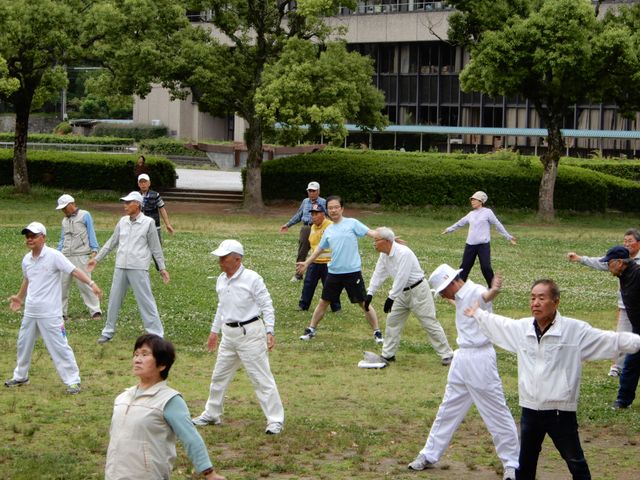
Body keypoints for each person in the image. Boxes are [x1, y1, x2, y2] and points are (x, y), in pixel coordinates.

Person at [464, 278, 640, 480]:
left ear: (555, 302)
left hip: (560, 411)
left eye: (541, 298)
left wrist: (637, 342)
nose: (535, 303)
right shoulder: (523, 329)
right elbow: (501, 325)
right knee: (525, 465)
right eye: (532, 298)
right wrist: (477, 314)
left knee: (576, 464)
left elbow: (611, 339)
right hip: (530, 409)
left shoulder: (574, 331)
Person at [408, 264, 519, 480]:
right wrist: (450, 299)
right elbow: (457, 302)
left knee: (496, 411)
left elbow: (486, 297)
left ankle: (512, 463)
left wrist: (495, 289)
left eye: (442, 290)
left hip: (480, 359)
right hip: (462, 358)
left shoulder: (475, 291)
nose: (441, 295)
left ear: (451, 283)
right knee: (448, 408)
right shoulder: (459, 295)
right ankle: (429, 454)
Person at [192, 240, 285, 434]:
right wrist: (213, 331)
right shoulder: (221, 279)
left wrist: (270, 331)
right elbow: (222, 306)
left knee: (261, 378)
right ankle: (212, 413)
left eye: (224, 258)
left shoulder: (253, 278)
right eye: (220, 258)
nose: (220, 261)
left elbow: (267, 305)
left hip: (250, 334)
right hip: (229, 335)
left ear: (237, 259)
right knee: (219, 376)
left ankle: (275, 420)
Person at [106, 334, 225, 480]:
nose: (137, 359)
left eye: (145, 354)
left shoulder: (169, 400)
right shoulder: (122, 398)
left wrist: (209, 473)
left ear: (162, 365)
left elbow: (191, 438)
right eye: (136, 354)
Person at [5, 222, 102, 394]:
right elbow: (28, 280)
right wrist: (19, 298)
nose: (30, 239)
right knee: (23, 344)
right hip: (31, 312)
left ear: (43, 237)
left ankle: (73, 381)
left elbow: (74, 271)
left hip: (50, 313)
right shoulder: (26, 260)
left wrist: (92, 283)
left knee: (59, 346)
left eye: (33, 236)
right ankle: (21, 375)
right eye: (27, 236)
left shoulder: (54, 255)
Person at [296, 195, 383, 344]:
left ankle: (377, 332)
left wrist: (390, 238)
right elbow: (318, 250)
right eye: (330, 208)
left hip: (352, 272)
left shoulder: (352, 223)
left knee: (363, 303)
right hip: (334, 273)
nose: (334, 210)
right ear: (327, 211)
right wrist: (307, 263)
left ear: (342, 209)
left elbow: (372, 233)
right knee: (324, 302)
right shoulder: (328, 230)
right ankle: (311, 329)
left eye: (336, 207)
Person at [87, 191, 170, 344]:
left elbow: (155, 247)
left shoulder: (148, 223)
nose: (124, 205)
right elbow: (112, 242)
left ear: (137, 204)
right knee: (113, 301)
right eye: (124, 202)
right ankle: (108, 332)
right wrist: (96, 259)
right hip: (120, 267)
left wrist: (162, 268)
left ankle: (156, 334)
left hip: (138, 268)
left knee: (146, 301)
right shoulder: (122, 221)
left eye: (128, 202)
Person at [365, 227, 453, 364]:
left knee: (429, 322)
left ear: (386, 241)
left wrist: (391, 297)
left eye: (376, 240)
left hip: (418, 291)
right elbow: (379, 273)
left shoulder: (404, 253)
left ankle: (447, 354)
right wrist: (370, 293)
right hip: (401, 293)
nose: (374, 244)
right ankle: (388, 354)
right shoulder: (384, 255)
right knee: (392, 322)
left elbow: (402, 277)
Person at [567, 229, 640, 377]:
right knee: (622, 336)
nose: (626, 244)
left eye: (630, 241)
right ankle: (617, 367)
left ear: (638, 243)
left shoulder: (633, 266)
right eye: (624, 241)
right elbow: (602, 263)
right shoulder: (617, 259)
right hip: (625, 306)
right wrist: (580, 258)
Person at [442, 190, 516, 287]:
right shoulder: (471, 214)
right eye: (471, 200)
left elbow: (497, 224)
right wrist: (449, 229)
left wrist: (508, 236)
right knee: (464, 267)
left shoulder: (488, 212)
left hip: (483, 245)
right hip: (470, 245)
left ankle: (493, 287)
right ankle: (458, 287)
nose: (472, 201)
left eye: (474, 200)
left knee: (486, 267)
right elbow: (460, 223)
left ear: (481, 201)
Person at [600, 246, 640, 410]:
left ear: (619, 262)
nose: (607, 266)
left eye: (609, 263)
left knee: (631, 363)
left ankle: (623, 400)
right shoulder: (624, 274)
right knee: (631, 364)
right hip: (638, 328)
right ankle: (623, 401)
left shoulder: (637, 274)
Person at [55, 194, 102, 320]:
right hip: (65, 256)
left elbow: (91, 232)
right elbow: (62, 238)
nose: (63, 211)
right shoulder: (64, 221)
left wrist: (94, 249)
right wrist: (57, 252)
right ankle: (61, 312)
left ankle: (95, 311)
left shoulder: (85, 215)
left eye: (65, 207)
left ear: (72, 204)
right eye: (62, 209)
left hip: (81, 255)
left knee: (85, 283)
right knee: (62, 285)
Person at [297, 203, 341, 313]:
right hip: (314, 262)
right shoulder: (312, 227)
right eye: (312, 214)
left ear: (323, 214)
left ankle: (336, 307)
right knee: (308, 284)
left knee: (330, 286)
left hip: (328, 263)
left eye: (316, 214)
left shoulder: (331, 226)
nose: (313, 216)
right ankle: (303, 306)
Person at [280, 181, 326, 282]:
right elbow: (299, 215)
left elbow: (329, 216)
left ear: (318, 191)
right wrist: (287, 225)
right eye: (310, 190)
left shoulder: (323, 202)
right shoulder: (305, 201)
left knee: (320, 251)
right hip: (306, 228)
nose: (311, 193)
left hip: (319, 228)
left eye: (314, 191)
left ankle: (324, 275)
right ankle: (298, 275)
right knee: (302, 252)